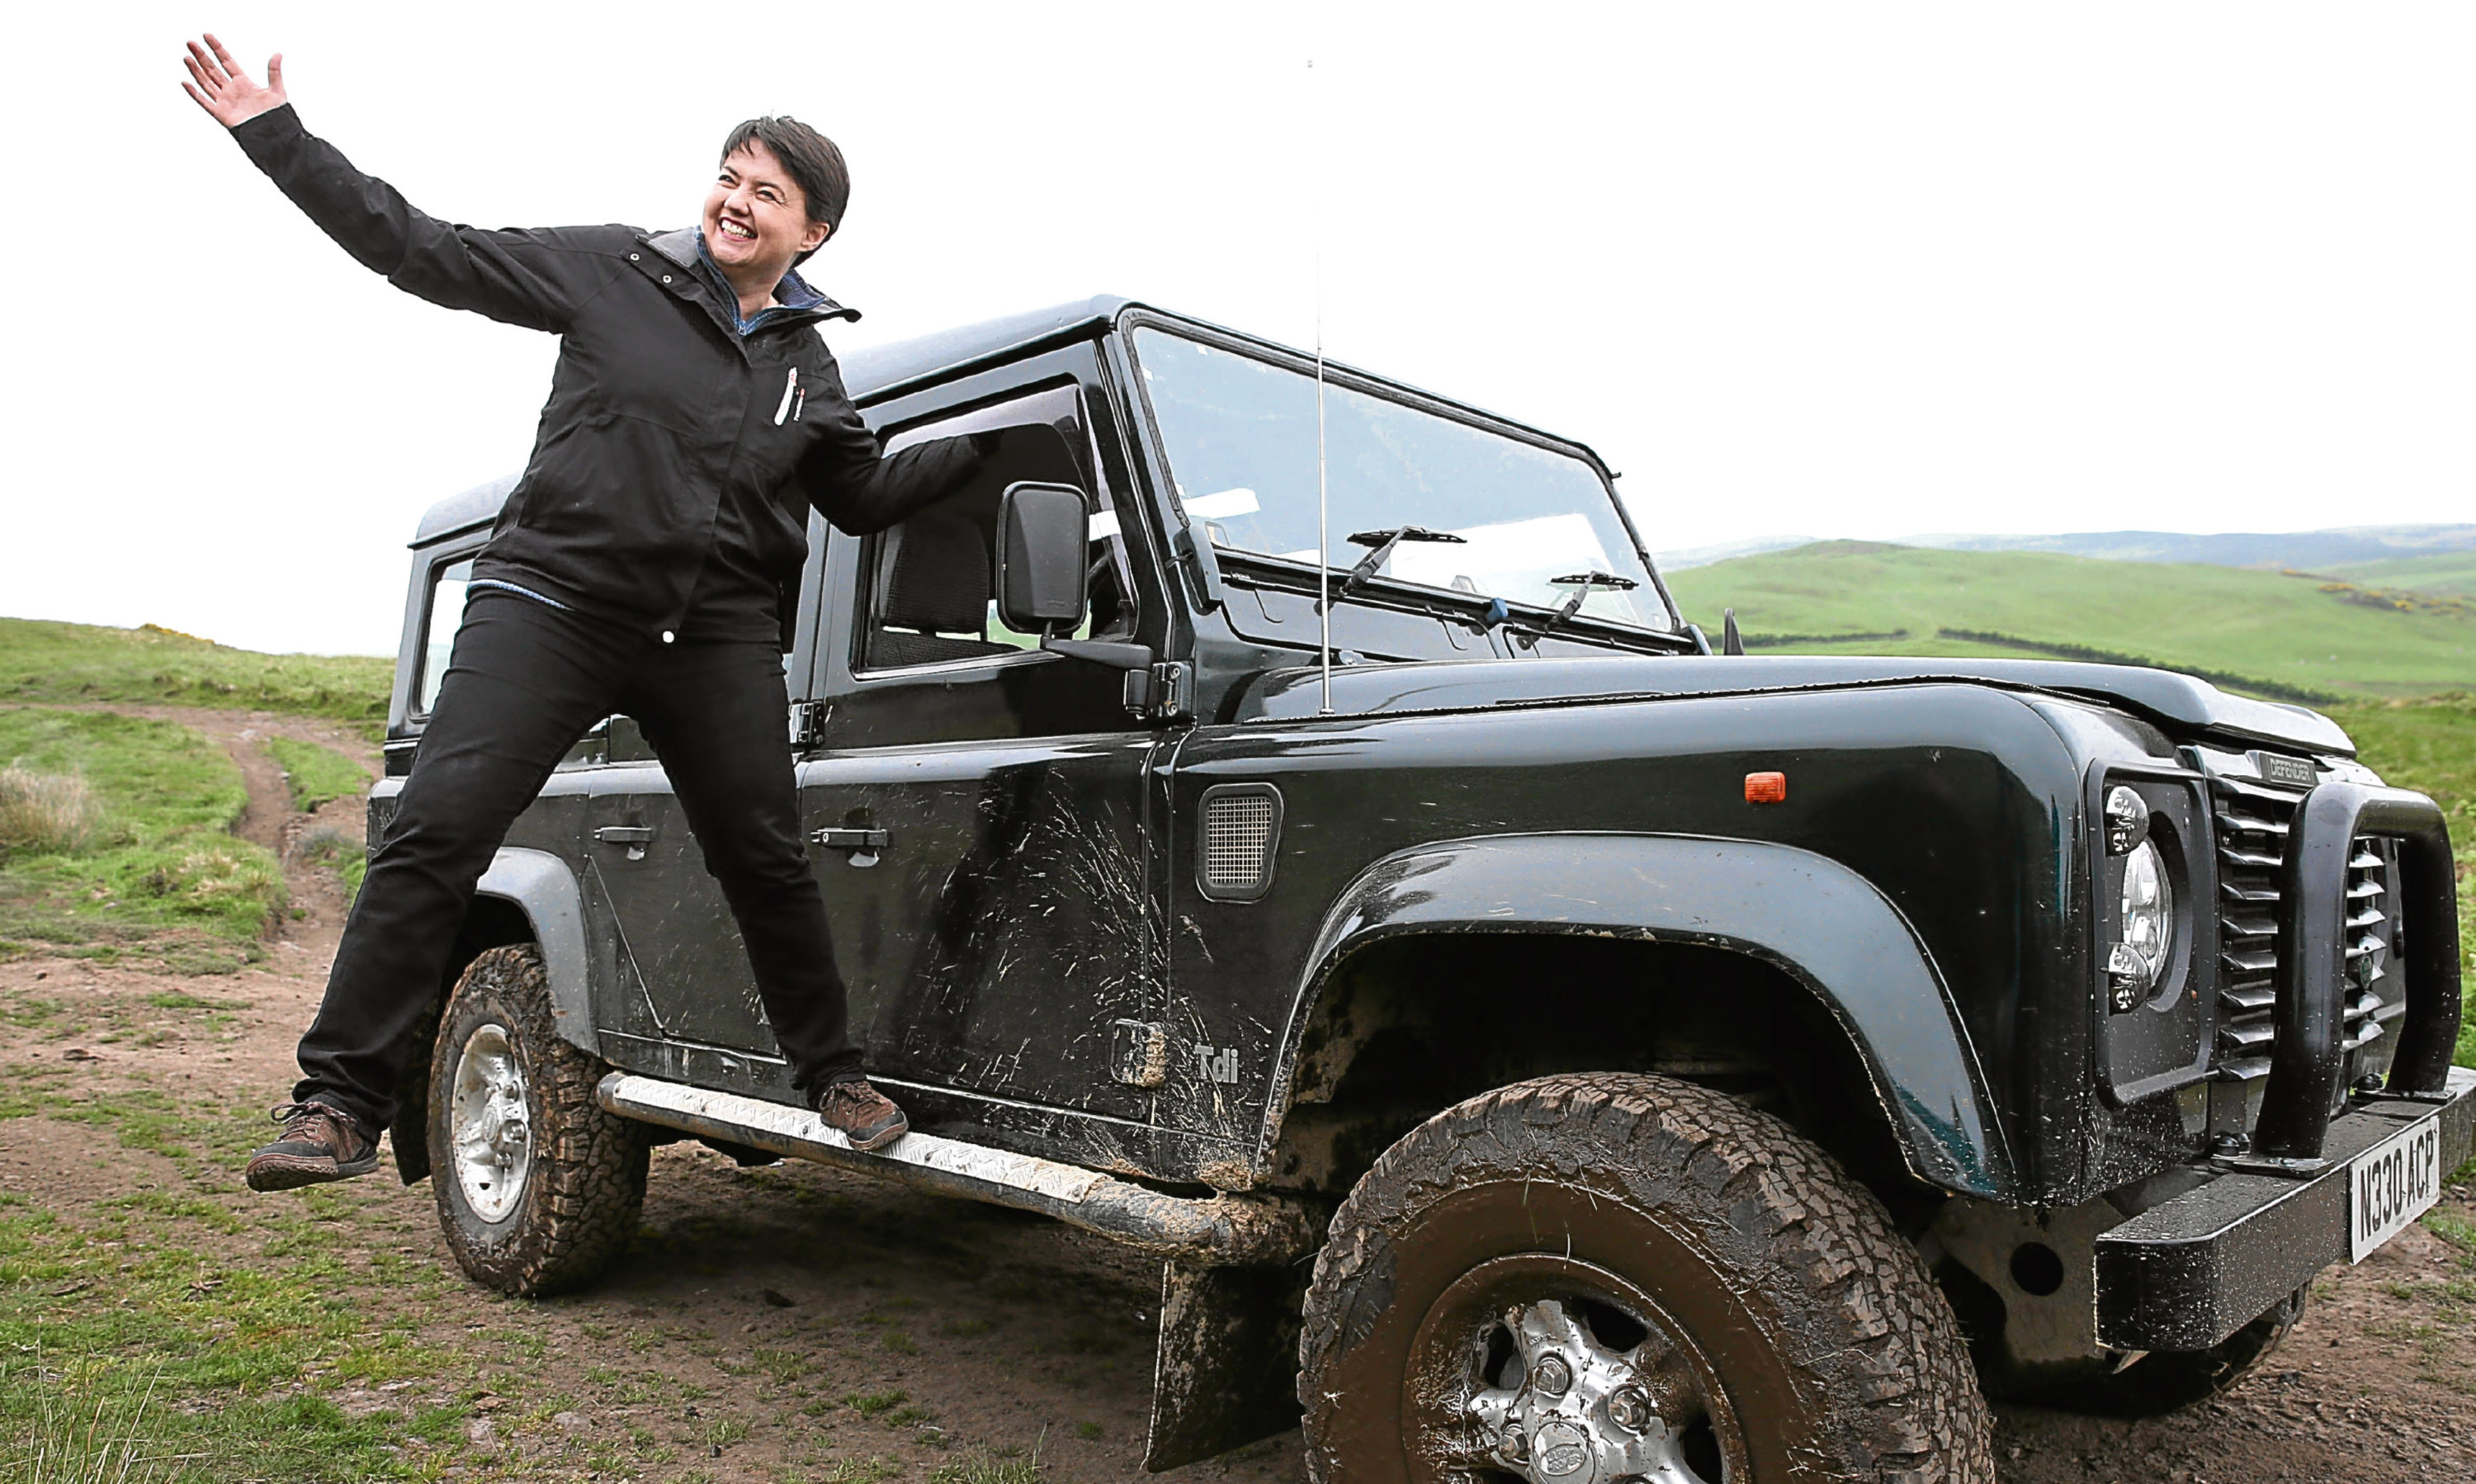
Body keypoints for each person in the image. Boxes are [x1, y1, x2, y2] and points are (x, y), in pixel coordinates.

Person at [181, 34, 973, 1189]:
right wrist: (276, 135)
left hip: (710, 637)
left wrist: (989, 453)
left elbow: (859, 494)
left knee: (766, 857)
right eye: (729, 175)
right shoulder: (617, 270)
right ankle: (339, 1101)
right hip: (551, 600)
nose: (735, 200)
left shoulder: (810, 365)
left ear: (815, 232)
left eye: (768, 191)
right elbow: (425, 249)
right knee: (438, 832)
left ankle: (830, 1073)